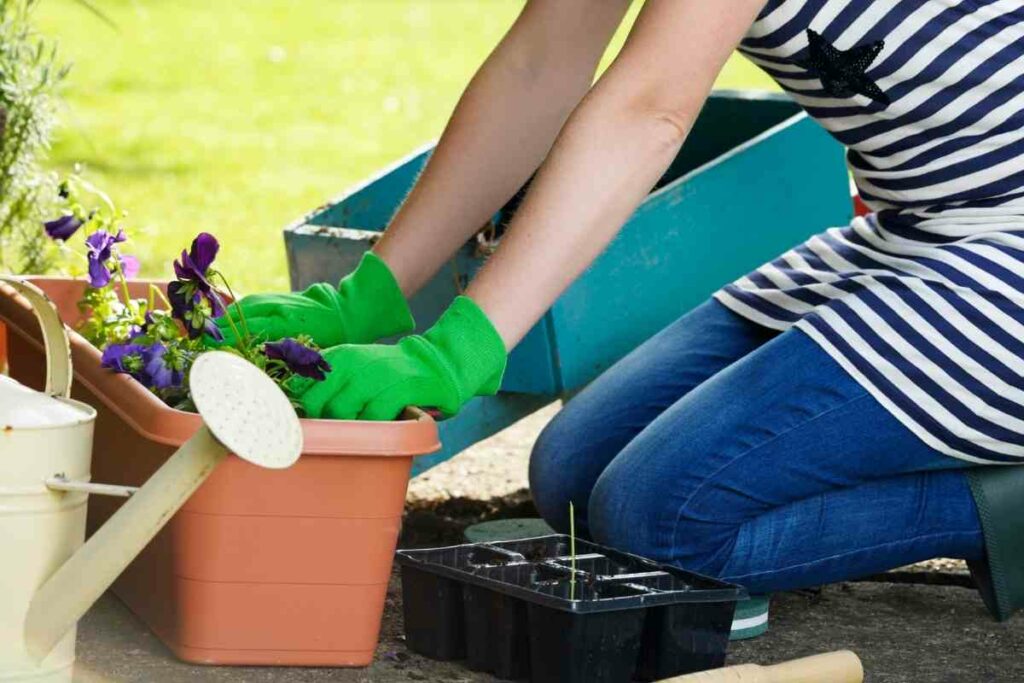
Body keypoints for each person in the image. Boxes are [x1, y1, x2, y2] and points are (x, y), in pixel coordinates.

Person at [216, 0, 1024, 620]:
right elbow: (541, 65)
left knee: (662, 518)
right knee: (571, 474)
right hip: (917, 229)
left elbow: (650, 109)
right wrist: (370, 293)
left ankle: (1004, 510)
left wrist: (461, 347)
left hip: (1008, 246)